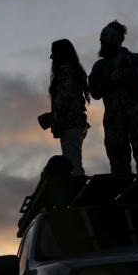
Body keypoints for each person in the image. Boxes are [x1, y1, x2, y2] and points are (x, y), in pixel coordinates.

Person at [88, 20, 138, 175]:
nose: (101, 39)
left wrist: (125, 74)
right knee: (118, 165)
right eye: (101, 36)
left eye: (105, 35)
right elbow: (95, 91)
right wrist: (110, 79)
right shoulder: (99, 67)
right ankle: (124, 196)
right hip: (114, 122)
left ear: (118, 37)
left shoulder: (135, 59)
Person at [47, 38, 90, 175]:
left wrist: (56, 122)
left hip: (71, 124)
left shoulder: (66, 71)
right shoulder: (73, 70)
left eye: (53, 53)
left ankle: (78, 191)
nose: (51, 57)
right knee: (73, 161)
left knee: (72, 163)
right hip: (75, 123)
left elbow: (63, 99)